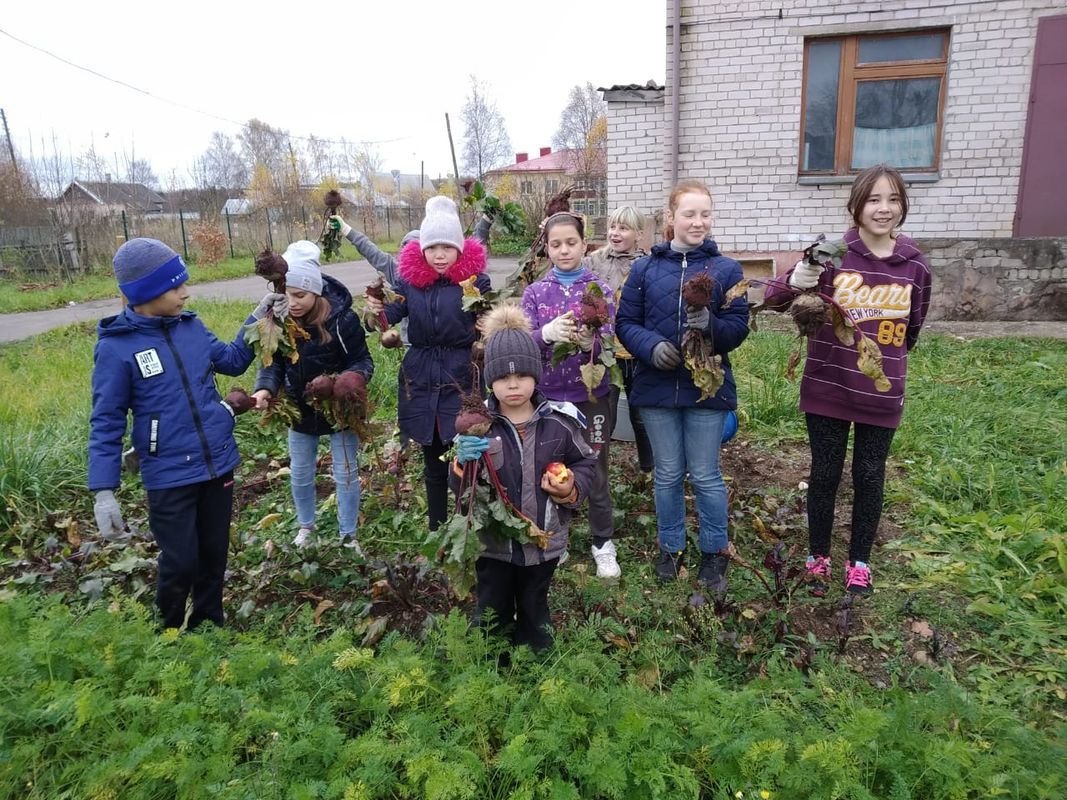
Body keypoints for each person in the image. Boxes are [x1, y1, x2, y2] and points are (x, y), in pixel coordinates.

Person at [88, 237, 286, 629]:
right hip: (169, 474)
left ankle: (208, 631)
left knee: (214, 558)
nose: (186, 292)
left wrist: (259, 317)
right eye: (176, 286)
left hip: (217, 464)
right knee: (180, 562)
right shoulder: (117, 349)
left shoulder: (191, 328)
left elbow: (231, 361)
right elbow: (106, 420)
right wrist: (104, 490)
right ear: (146, 293)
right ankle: (167, 634)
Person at [763, 164, 931, 596]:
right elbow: (775, 299)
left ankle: (859, 563)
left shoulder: (915, 266)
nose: (883, 208)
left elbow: (911, 329)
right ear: (856, 203)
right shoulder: (831, 253)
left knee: (870, 475)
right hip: (828, 385)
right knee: (825, 473)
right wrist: (797, 276)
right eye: (874, 199)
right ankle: (818, 555)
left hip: (880, 390)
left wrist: (885, 361)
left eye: (893, 199)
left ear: (903, 206)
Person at [616, 180, 750, 593]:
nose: (698, 221)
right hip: (656, 388)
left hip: (706, 389)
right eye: (689, 213)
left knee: (706, 475)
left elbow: (738, 327)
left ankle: (714, 550)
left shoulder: (726, 270)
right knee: (669, 474)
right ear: (670, 218)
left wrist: (711, 326)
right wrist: (650, 348)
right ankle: (670, 546)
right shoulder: (644, 269)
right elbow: (625, 324)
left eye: (705, 213)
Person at [452, 303, 597, 650]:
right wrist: (460, 464)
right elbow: (460, 490)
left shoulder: (560, 423)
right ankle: (489, 663)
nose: (513, 385)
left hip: (542, 543)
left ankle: (536, 662)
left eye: (522, 377)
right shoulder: (477, 428)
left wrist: (569, 488)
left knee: (535, 607)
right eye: (503, 378)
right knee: (492, 609)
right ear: (490, 380)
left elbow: (586, 464)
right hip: (493, 545)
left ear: (537, 376)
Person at [364, 196, 490, 531]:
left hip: (460, 374)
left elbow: (488, 316)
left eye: (446, 248)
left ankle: (466, 525)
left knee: (464, 456)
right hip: (420, 374)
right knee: (432, 459)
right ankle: (436, 528)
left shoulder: (475, 283)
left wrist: (486, 323)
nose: (438, 255)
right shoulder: (409, 282)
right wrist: (376, 313)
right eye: (432, 248)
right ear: (422, 249)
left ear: (459, 249)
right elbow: (391, 314)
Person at [251, 241, 374, 551]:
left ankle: (348, 536)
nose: (292, 302)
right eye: (287, 294)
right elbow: (272, 362)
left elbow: (363, 359)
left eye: (300, 295)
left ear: (316, 291)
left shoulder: (342, 320)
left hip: (341, 407)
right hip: (299, 407)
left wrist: (352, 379)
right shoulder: (278, 319)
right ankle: (306, 527)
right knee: (302, 472)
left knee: (346, 472)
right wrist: (264, 388)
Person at [522, 212, 621, 578]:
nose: (564, 250)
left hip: (590, 397)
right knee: (548, 467)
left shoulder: (598, 291)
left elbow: (609, 340)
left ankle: (602, 542)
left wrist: (590, 342)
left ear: (584, 244)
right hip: (547, 398)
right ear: (547, 248)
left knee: (594, 467)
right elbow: (522, 344)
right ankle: (555, 537)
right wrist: (545, 334)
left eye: (571, 243)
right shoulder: (535, 293)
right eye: (556, 244)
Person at [584, 204, 653, 473]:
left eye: (623, 228)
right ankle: (597, 472)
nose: (615, 232)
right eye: (613, 226)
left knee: (641, 414)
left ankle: (650, 469)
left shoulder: (647, 265)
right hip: (605, 352)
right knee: (604, 415)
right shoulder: (594, 261)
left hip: (636, 352)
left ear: (638, 233)